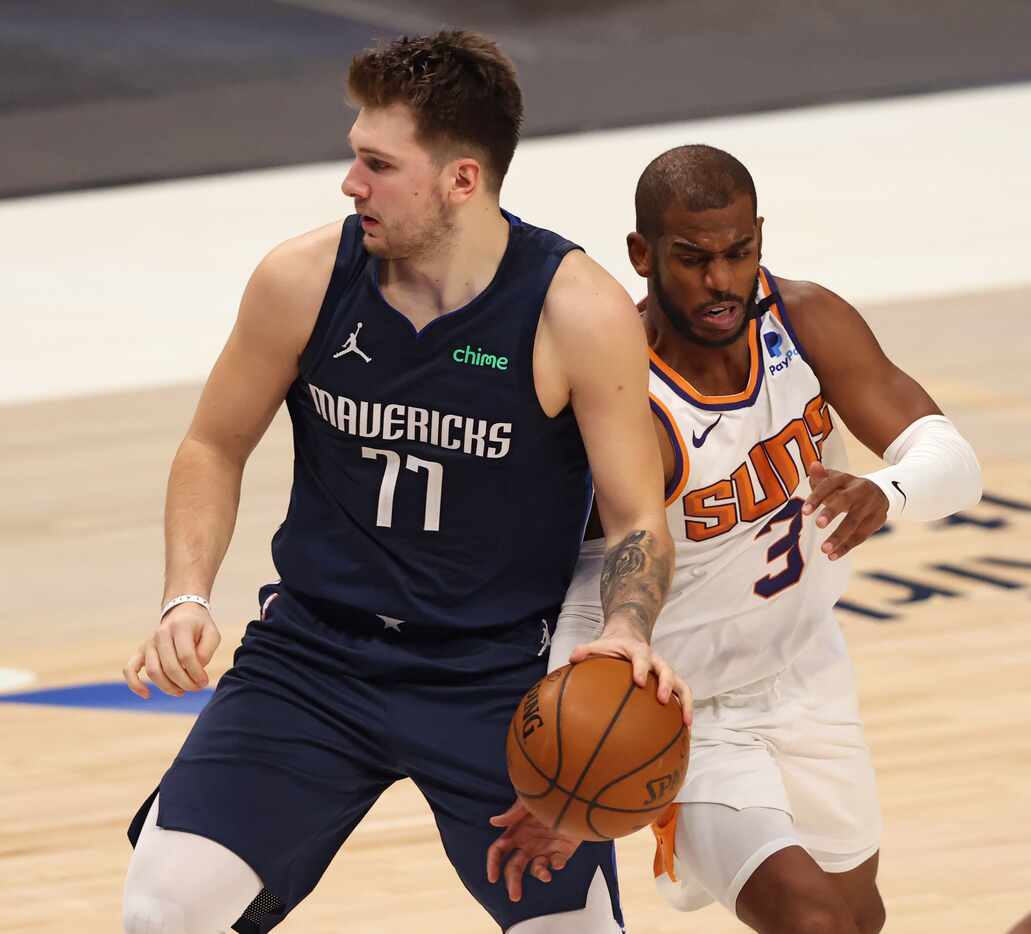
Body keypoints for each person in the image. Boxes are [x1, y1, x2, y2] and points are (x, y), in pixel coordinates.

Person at [119, 32, 690, 934]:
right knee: (165, 914)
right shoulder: (301, 278)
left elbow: (633, 521)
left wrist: (624, 630)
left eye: (377, 164)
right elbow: (212, 445)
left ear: (462, 179)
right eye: (356, 157)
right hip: (313, 658)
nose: (352, 184)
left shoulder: (574, 310)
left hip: (493, 677)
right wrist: (183, 595)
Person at [517, 144, 981, 933]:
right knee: (812, 924)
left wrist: (885, 490)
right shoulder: (621, 388)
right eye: (693, 259)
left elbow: (952, 460)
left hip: (807, 670)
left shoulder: (805, 321)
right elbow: (577, 576)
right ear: (642, 254)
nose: (720, 281)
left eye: (738, 253)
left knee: (855, 918)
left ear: (759, 236)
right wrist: (563, 758)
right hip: (683, 713)